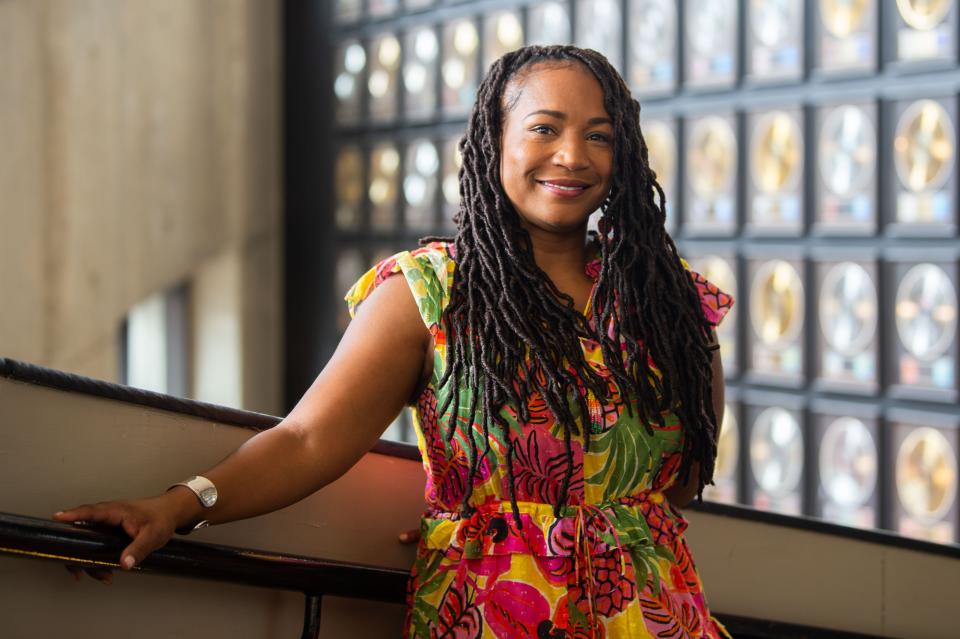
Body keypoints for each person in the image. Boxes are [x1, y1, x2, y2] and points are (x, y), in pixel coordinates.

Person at [56, 45, 735, 638]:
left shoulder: (668, 298)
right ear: (495, 140)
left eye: (599, 135)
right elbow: (307, 440)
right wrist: (178, 504)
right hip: (493, 614)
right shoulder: (428, 291)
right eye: (545, 128)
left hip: (652, 614)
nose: (572, 156)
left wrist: (554, 523)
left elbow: (682, 480)